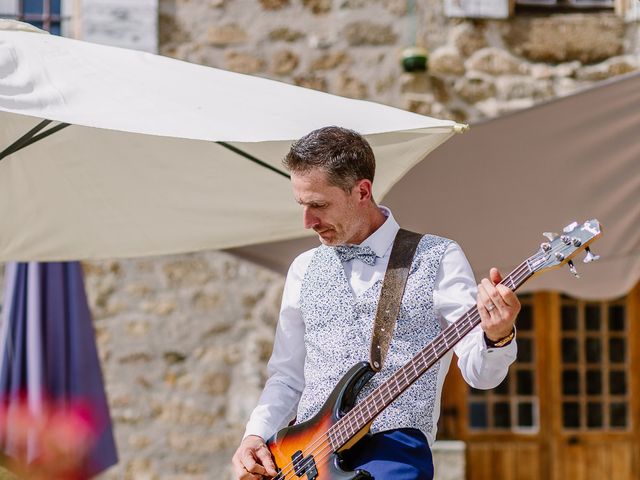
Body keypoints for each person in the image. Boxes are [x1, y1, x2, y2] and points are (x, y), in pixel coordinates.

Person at [232, 126, 520, 480]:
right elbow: (288, 377)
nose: (307, 221)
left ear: (362, 191)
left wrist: (498, 335)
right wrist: (255, 435)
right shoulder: (303, 269)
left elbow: (482, 374)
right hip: (304, 460)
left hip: (395, 452)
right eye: (302, 205)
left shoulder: (438, 257)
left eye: (318, 205)